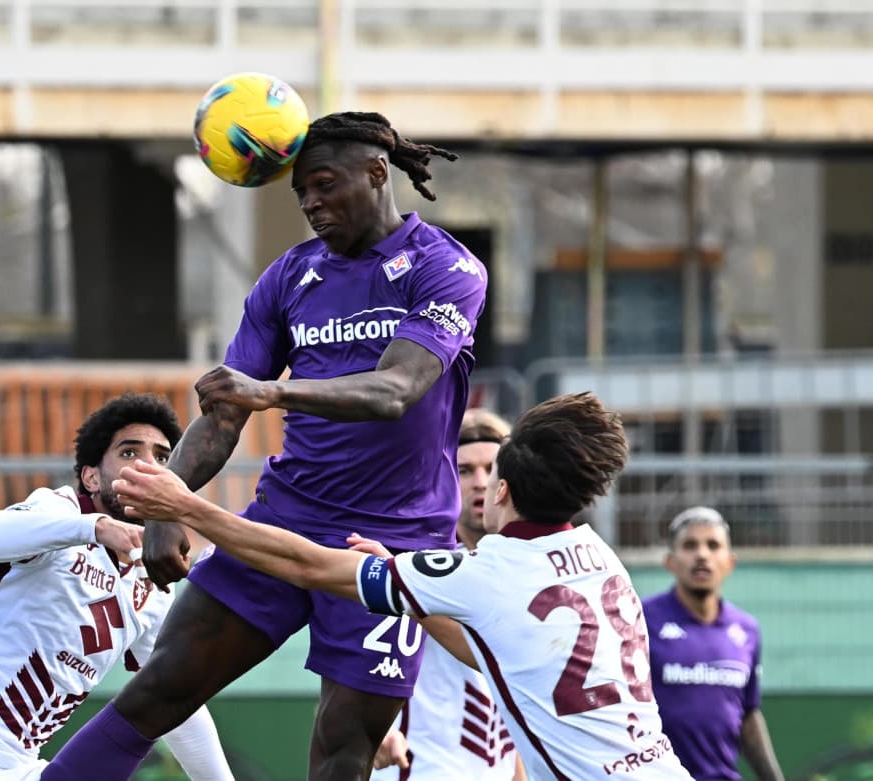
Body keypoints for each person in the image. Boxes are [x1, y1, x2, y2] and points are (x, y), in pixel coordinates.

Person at [44, 110, 482, 781]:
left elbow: (397, 389)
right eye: (299, 190)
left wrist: (271, 392)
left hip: (394, 545)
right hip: (283, 521)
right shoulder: (287, 278)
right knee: (158, 690)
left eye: (324, 184)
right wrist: (170, 507)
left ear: (376, 173)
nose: (310, 202)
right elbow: (223, 413)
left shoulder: (445, 269)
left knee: (343, 747)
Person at [110, 392, 695, 780]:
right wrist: (413, 592)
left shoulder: (486, 574)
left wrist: (188, 506)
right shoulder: (600, 558)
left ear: (502, 492)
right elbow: (487, 648)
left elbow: (312, 566)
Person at [0, 393, 234, 781]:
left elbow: (172, 694)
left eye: (161, 457)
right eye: (128, 453)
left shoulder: (152, 582)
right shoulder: (60, 512)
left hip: (16, 766)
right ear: (91, 477)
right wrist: (95, 528)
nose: (147, 466)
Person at [371, 408, 525, 781]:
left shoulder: (527, 570)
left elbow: (513, 700)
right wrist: (374, 731)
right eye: (464, 470)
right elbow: (348, 673)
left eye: (492, 469)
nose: (480, 482)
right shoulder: (409, 566)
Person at [642, 507, 785, 781]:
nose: (702, 555)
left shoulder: (747, 630)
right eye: (690, 545)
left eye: (713, 545)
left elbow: (747, 716)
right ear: (671, 561)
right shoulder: (642, 620)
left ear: (729, 562)